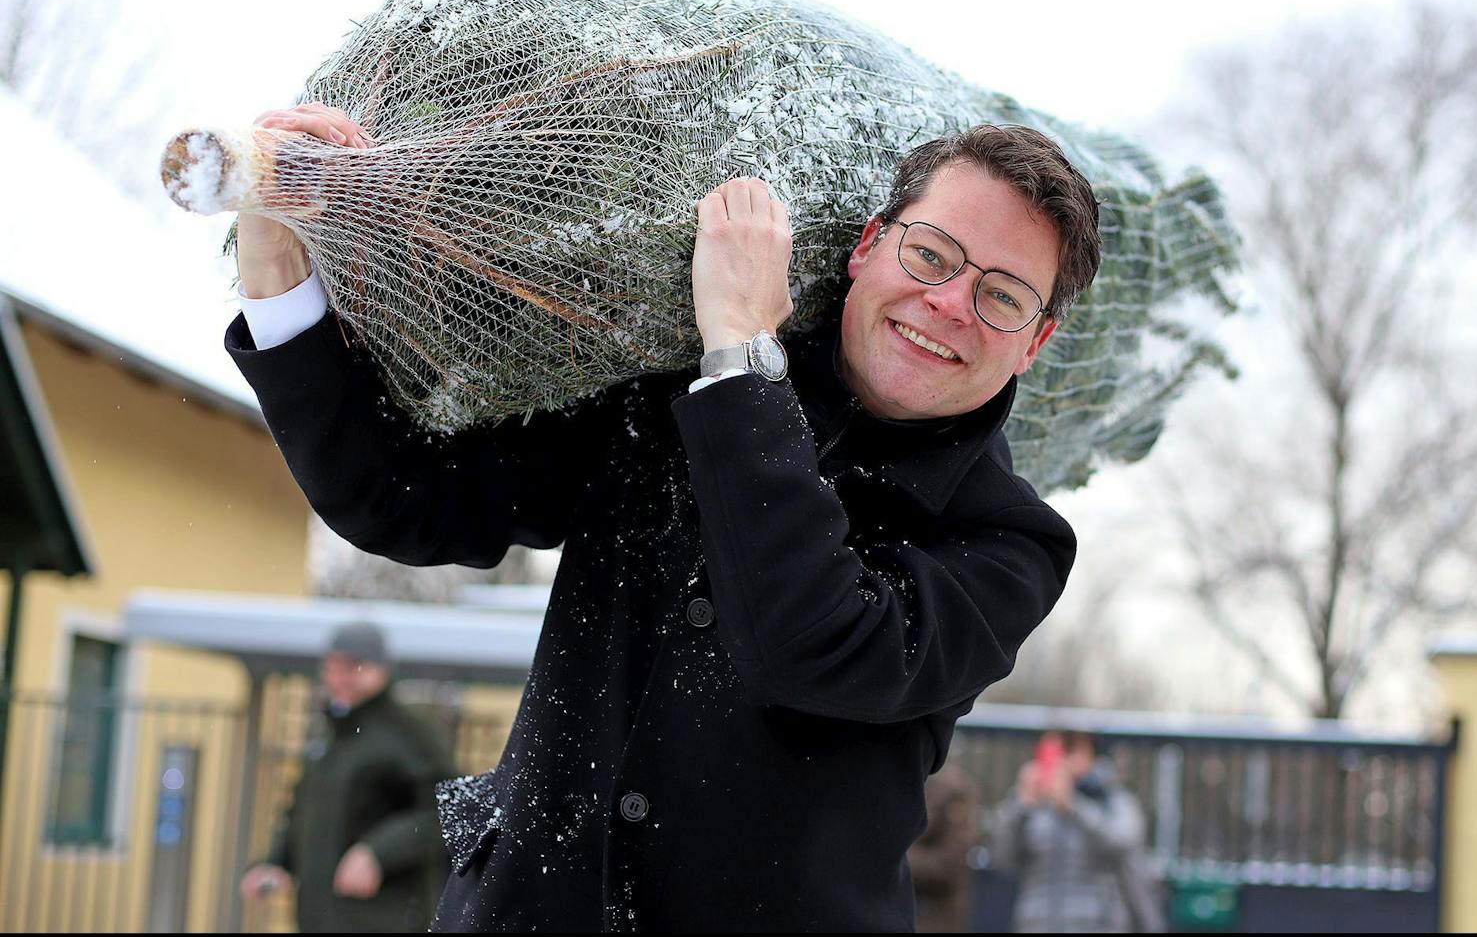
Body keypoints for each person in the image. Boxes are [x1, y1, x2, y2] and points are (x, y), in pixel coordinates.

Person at [226, 102, 1103, 931]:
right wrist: (278, 279)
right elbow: (409, 500)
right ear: (867, 246)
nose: (951, 302)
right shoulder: (672, 376)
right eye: (933, 254)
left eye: (1002, 295)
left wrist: (741, 357)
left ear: (1036, 340)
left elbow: (809, 645)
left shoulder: (1007, 541)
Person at [239, 621, 456, 932]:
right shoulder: (330, 738)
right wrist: (275, 863)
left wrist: (378, 852)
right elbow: (301, 814)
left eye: (354, 665)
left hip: (383, 920)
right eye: (333, 666)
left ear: (381, 670)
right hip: (321, 919)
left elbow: (445, 811)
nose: (340, 677)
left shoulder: (408, 734)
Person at [990, 731, 1166, 933]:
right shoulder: (1032, 801)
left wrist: (1074, 806)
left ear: (1089, 755)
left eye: (1068, 751)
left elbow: (1124, 842)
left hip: (1098, 924)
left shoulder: (1112, 797)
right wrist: (1020, 807)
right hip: (1037, 924)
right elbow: (1003, 859)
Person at [908, 762, 981, 932]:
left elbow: (947, 867)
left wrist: (897, 856)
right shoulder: (897, 782)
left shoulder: (951, 790)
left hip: (934, 919)